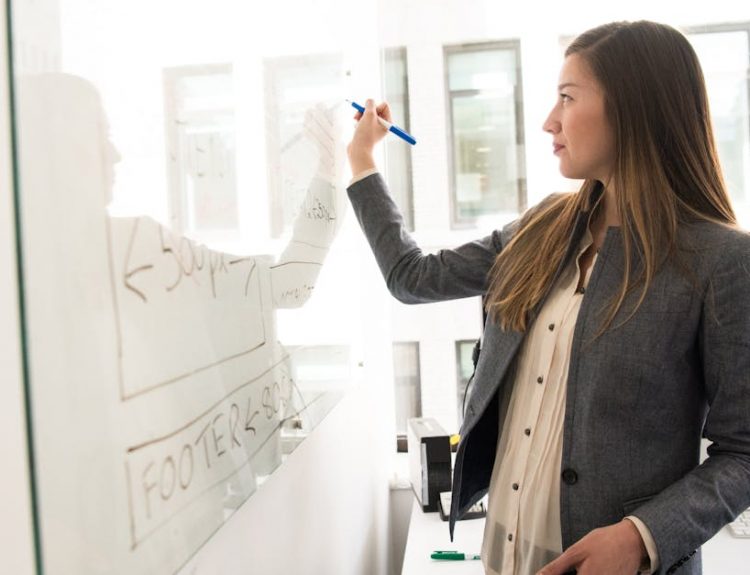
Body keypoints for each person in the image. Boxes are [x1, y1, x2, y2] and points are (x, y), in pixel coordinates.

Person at [346, 20, 750, 575]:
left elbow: (744, 452)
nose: (549, 121)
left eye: (567, 97)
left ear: (634, 108)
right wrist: (363, 162)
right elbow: (411, 277)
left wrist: (641, 538)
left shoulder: (721, 261)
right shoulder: (542, 229)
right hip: (503, 557)